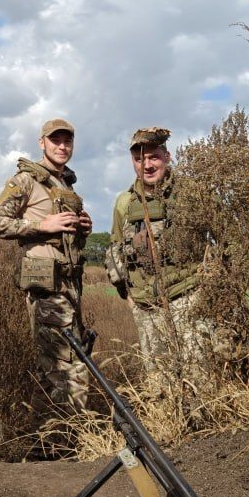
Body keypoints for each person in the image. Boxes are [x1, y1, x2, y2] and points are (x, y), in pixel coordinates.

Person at [0, 119, 93, 432]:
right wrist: (39, 226)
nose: (62, 146)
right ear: (41, 142)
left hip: (71, 285)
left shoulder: (65, 185)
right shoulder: (26, 181)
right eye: (55, 140)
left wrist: (82, 229)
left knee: (64, 363)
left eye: (67, 141)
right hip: (47, 288)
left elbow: (65, 238)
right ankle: (60, 443)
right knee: (64, 365)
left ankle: (46, 441)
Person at [108, 127, 205, 373]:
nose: (147, 165)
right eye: (139, 159)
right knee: (160, 383)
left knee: (201, 378)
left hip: (189, 299)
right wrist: (128, 296)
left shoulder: (191, 193)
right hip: (147, 308)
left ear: (167, 156)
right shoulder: (124, 202)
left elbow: (223, 239)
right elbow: (115, 250)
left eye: (153, 157)